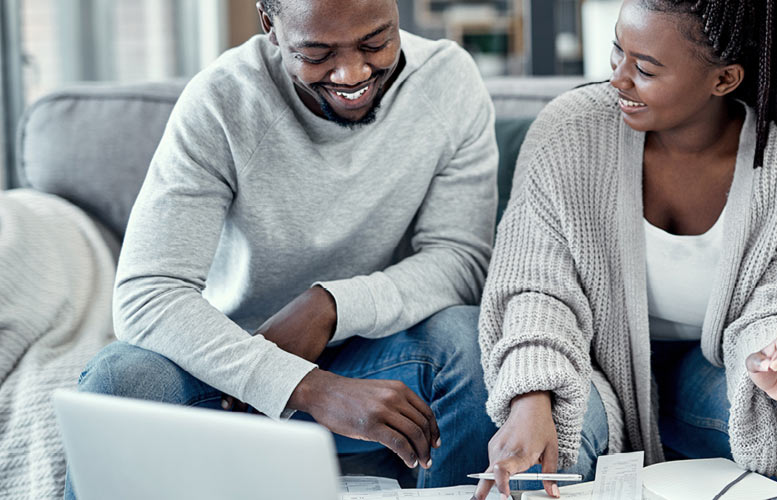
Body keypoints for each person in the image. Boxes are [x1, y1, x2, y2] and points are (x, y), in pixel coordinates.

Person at [64, 0, 498, 497]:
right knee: (119, 381)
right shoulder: (223, 100)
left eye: (375, 43)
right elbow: (147, 292)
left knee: (468, 340)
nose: (352, 73)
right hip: (234, 365)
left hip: (380, 355)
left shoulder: (447, 80)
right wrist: (303, 385)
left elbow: (461, 260)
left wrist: (330, 307)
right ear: (270, 26)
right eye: (316, 53)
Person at [474, 0, 777, 498]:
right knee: (547, 438)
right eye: (617, 51)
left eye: (645, 68)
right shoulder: (569, 130)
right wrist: (530, 392)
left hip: (719, 366)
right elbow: (535, 288)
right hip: (588, 362)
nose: (618, 80)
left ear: (724, 79)